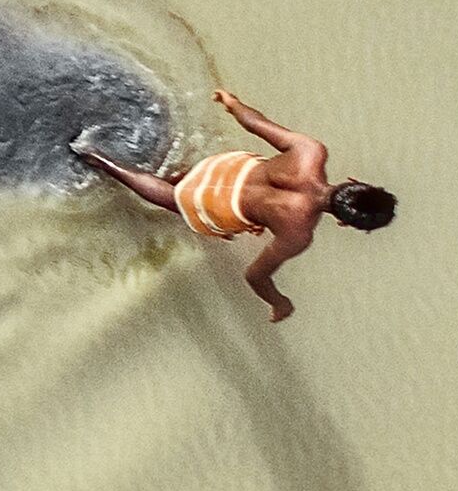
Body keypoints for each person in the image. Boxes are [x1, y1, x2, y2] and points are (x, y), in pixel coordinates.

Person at [82, 89, 395, 323]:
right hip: (214, 204)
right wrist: (278, 302)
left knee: (192, 178)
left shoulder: (311, 151)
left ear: (354, 179)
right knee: (171, 199)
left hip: (225, 167)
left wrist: (232, 104)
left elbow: (255, 123)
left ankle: (138, 164)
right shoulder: (298, 233)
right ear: (343, 223)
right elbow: (256, 276)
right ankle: (103, 162)